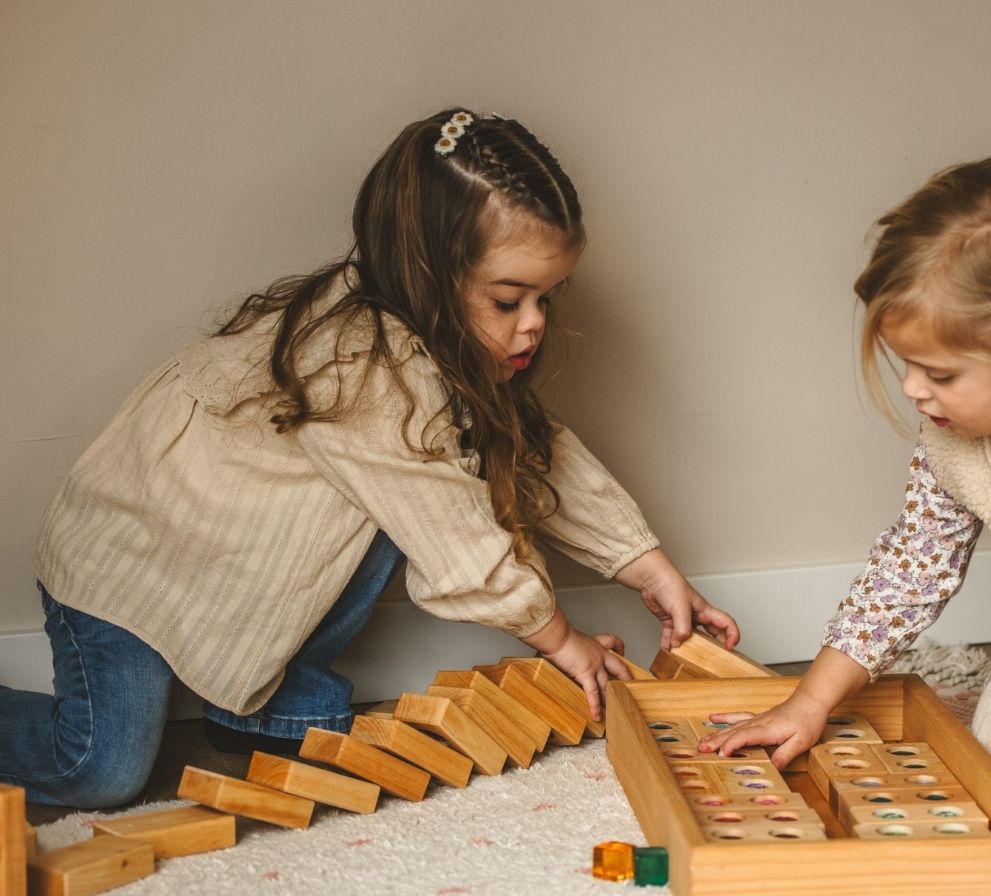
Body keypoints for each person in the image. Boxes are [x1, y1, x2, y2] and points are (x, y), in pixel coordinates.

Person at [2, 107, 738, 808]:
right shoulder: (365, 368)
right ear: (428, 270)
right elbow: (456, 543)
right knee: (100, 769)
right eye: (510, 300)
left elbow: (536, 454)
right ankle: (239, 709)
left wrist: (646, 565)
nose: (535, 324)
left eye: (547, 297)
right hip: (130, 559)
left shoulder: (440, 346)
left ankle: (261, 710)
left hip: (237, 565)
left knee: (439, 476)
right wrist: (563, 642)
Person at [699, 157, 991, 837]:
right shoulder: (958, 440)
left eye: (939, 372)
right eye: (906, 366)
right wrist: (810, 701)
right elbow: (910, 567)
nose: (912, 389)